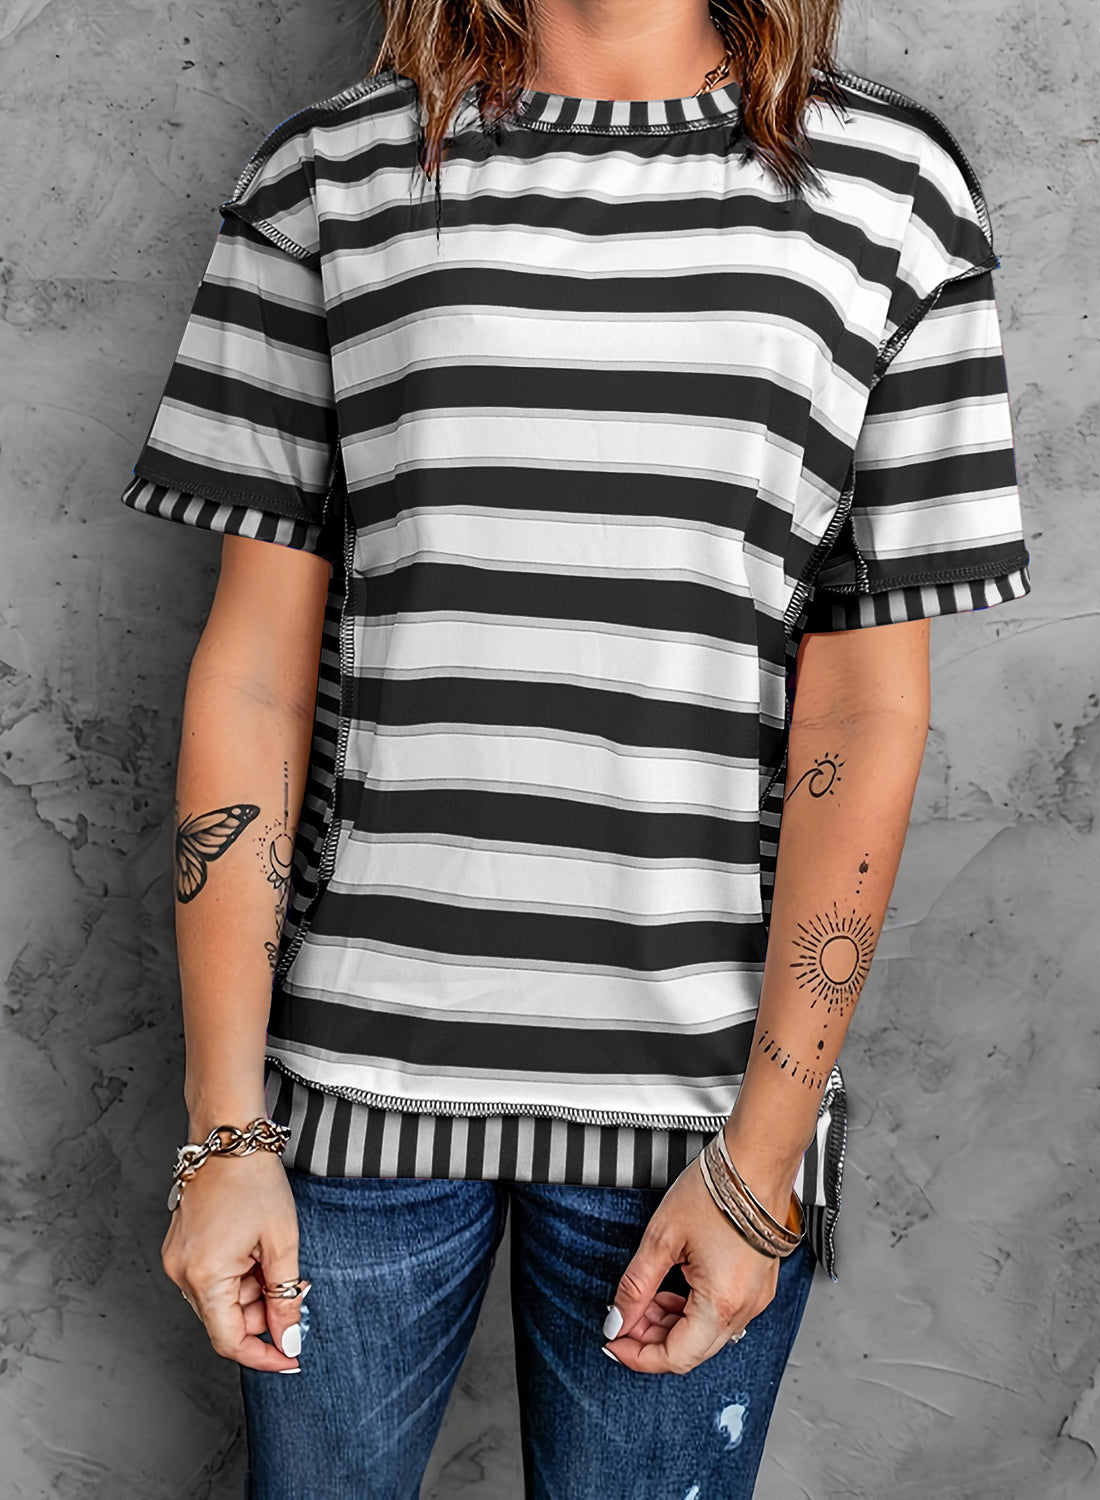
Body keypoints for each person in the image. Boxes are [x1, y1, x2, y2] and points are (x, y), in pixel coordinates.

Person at [120, 0, 1031, 1494]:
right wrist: (222, 1130)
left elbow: (864, 707)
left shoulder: (891, 191)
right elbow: (252, 676)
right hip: (346, 1096)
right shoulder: (328, 176)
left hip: (705, 1120)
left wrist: (763, 1159)